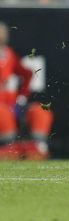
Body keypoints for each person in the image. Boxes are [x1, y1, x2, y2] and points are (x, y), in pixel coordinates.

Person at [0, 22, 52, 160]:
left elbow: (27, 74)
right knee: (2, 112)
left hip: (12, 106)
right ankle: (7, 146)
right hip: (2, 109)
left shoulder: (9, 55)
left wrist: (22, 97)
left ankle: (38, 146)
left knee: (39, 111)